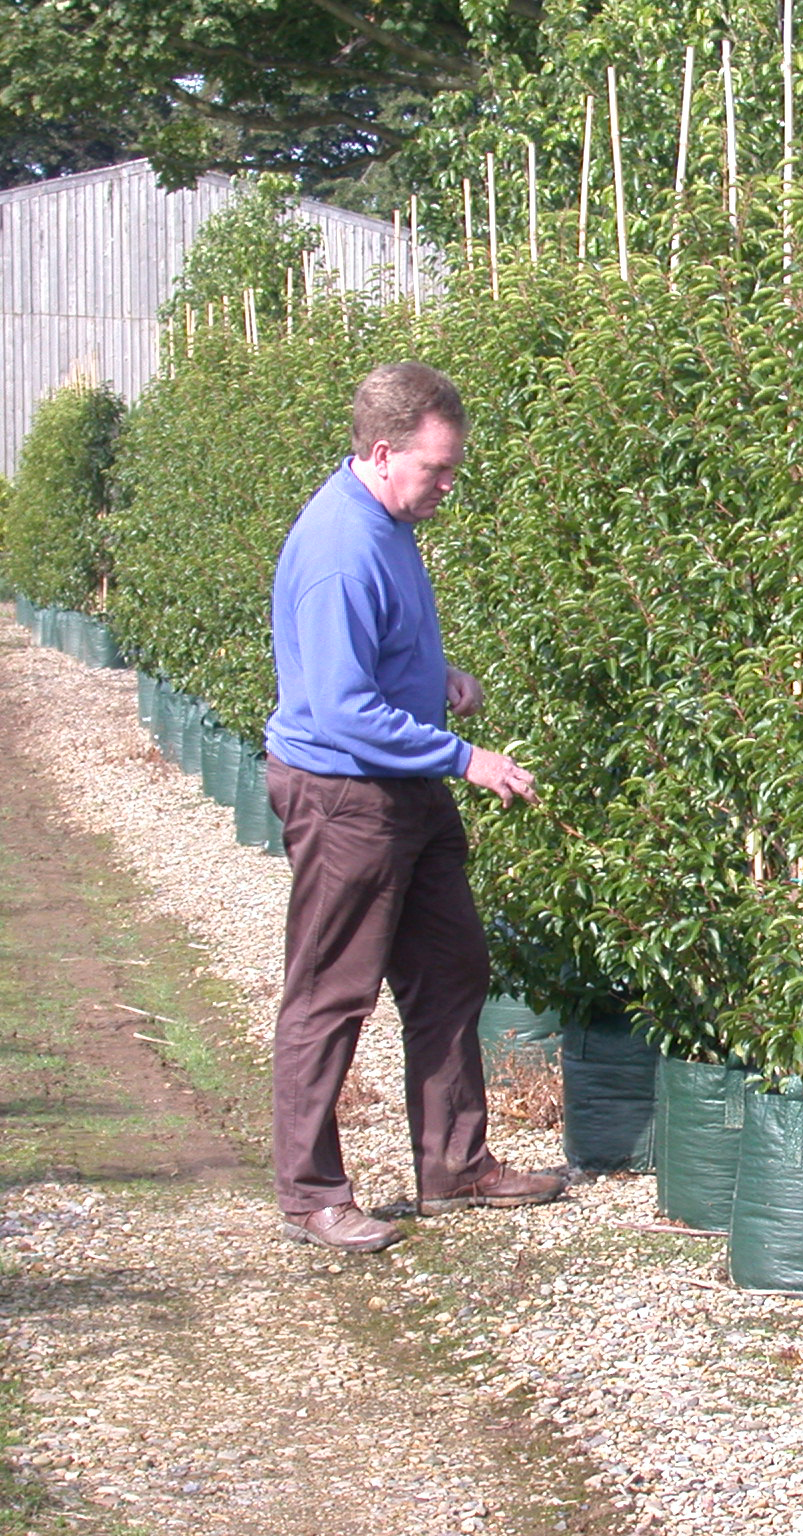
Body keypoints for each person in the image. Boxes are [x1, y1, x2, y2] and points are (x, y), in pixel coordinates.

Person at [264, 360, 566, 1253]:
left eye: (452, 468)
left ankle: (454, 1165)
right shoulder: (340, 550)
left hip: (402, 790)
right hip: (344, 795)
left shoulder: (388, 518)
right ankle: (311, 1193)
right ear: (384, 451)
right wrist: (467, 758)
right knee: (331, 994)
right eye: (437, 469)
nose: (446, 485)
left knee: (451, 967)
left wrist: (437, 678)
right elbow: (340, 708)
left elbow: (373, 659)